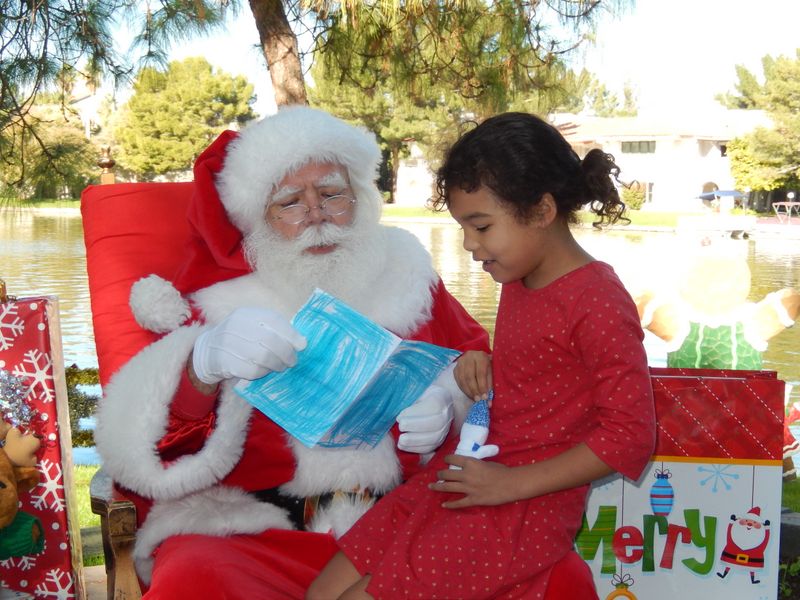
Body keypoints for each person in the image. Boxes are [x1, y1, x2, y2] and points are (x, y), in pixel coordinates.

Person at [93, 106, 490, 599]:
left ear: (360, 198)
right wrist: (201, 367)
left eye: (331, 194)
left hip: (403, 525)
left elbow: (482, 371)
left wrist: (450, 404)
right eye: (289, 203)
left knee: (544, 575)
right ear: (257, 217)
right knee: (194, 577)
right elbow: (153, 451)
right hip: (258, 534)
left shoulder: (410, 278)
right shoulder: (216, 303)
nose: (317, 216)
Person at [309, 112, 657, 599]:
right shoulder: (518, 277)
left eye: (481, 226)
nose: (471, 245)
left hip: (520, 506)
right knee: (321, 593)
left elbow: (630, 439)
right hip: (469, 474)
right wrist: (488, 365)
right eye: (464, 228)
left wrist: (506, 486)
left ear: (541, 211)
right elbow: (549, 371)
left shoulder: (596, 299)